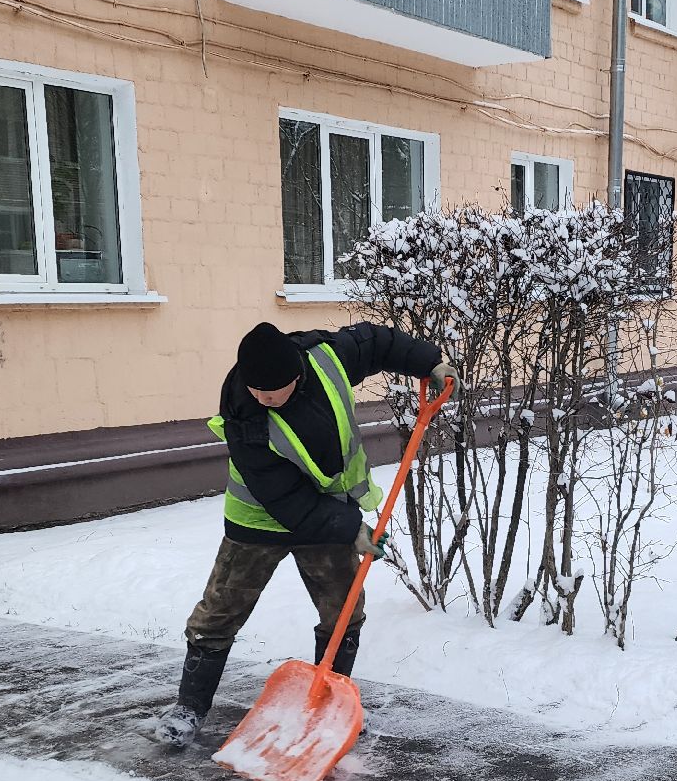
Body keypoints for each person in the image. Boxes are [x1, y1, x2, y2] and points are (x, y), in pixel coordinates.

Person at [155, 320, 457, 748]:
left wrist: (431, 364)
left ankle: (330, 703)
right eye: (255, 389)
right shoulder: (244, 410)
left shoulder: (327, 357)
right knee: (219, 611)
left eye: (271, 392)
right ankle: (189, 707)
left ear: (296, 376)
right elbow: (285, 501)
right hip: (259, 520)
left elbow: (377, 341)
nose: (262, 398)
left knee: (344, 610)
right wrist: (351, 528)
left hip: (328, 511)